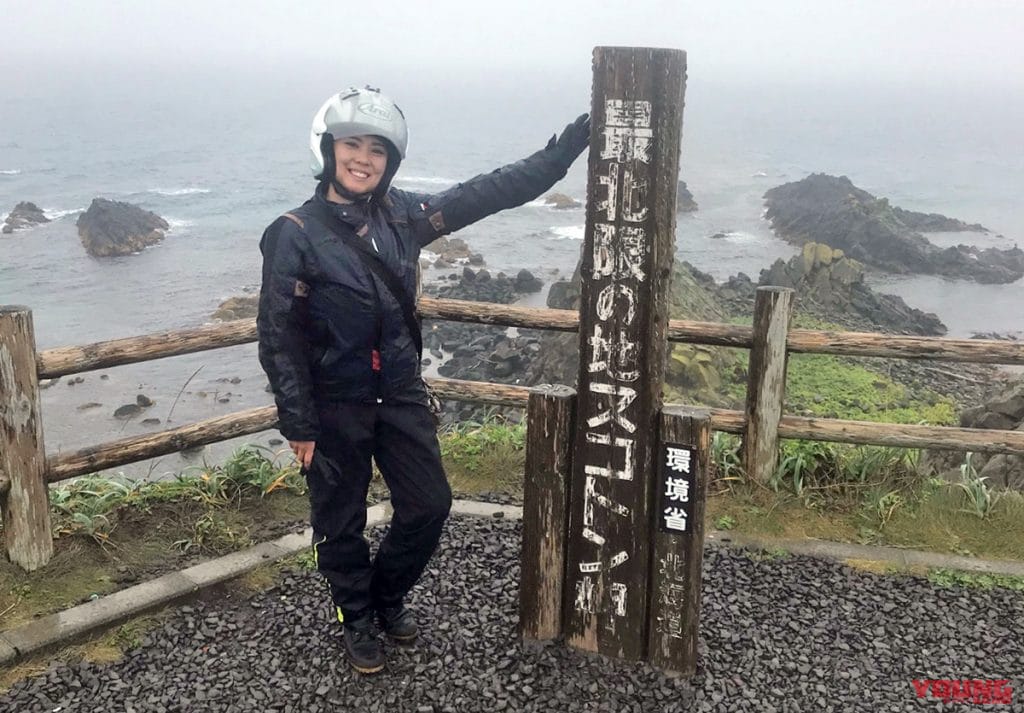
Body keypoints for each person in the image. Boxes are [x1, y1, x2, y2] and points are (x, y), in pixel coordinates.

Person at [257, 85, 589, 674]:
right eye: (352, 145)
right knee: (341, 522)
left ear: (391, 163)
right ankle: (355, 617)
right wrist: (298, 423)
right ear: (327, 150)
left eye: (377, 151)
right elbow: (279, 336)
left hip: (402, 395)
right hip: (336, 404)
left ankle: (384, 596)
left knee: (430, 506)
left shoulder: (405, 216)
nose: (363, 159)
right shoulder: (295, 233)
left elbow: (487, 193)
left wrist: (560, 155)